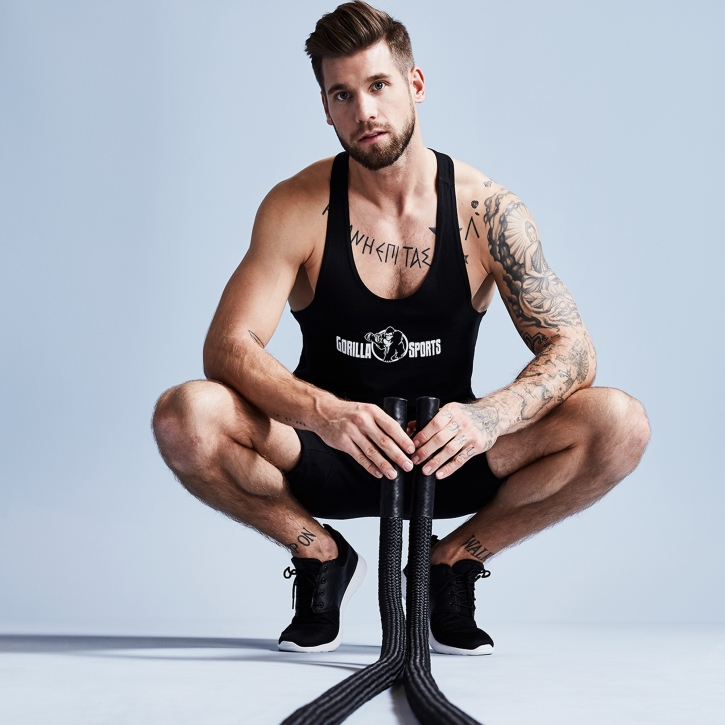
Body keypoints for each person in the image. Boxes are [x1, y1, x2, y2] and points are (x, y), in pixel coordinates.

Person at [152, 1, 650, 656]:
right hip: (326, 447)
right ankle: (319, 554)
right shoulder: (296, 205)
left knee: (619, 424)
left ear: (414, 84)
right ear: (325, 108)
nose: (364, 111)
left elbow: (573, 349)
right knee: (185, 415)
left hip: (448, 452)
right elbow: (227, 346)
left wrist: (487, 418)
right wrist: (325, 414)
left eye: (379, 85)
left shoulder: (487, 210)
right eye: (342, 94)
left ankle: (452, 563)